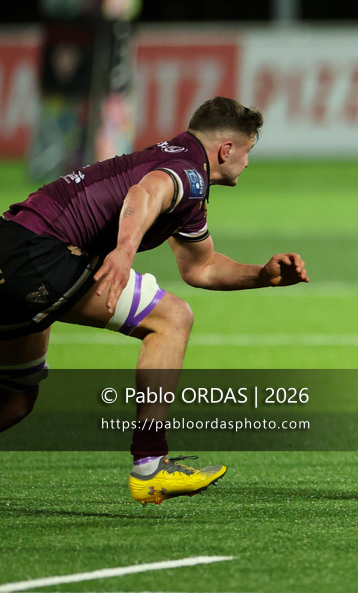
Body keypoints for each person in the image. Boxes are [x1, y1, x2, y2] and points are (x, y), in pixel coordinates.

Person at [0, 96, 309, 505]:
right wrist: (124, 250)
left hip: (16, 248)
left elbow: (201, 267)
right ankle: (150, 465)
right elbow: (147, 192)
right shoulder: (186, 172)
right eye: (249, 151)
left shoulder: (186, 181)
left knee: (16, 398)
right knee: (171, 319)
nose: (248, 163)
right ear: (227, 149)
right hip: (39, 254)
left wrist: (264, 276)